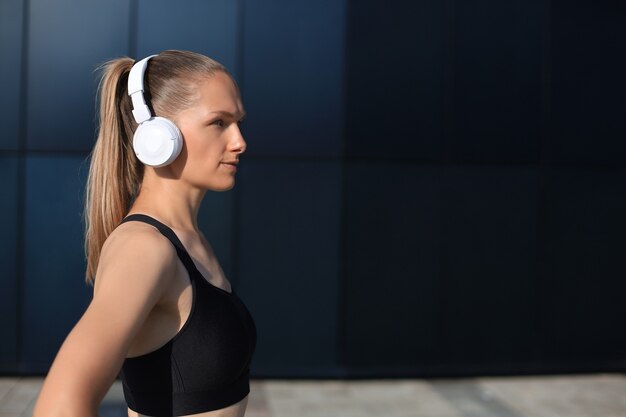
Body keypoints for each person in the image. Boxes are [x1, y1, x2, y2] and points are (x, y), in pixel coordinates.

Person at [33, 50, 256, 417]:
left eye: (238, 122)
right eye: (219, 122)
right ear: (156, 133)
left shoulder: (188, 240)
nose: (239, 141)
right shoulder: (145, 248)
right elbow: (59, 404)